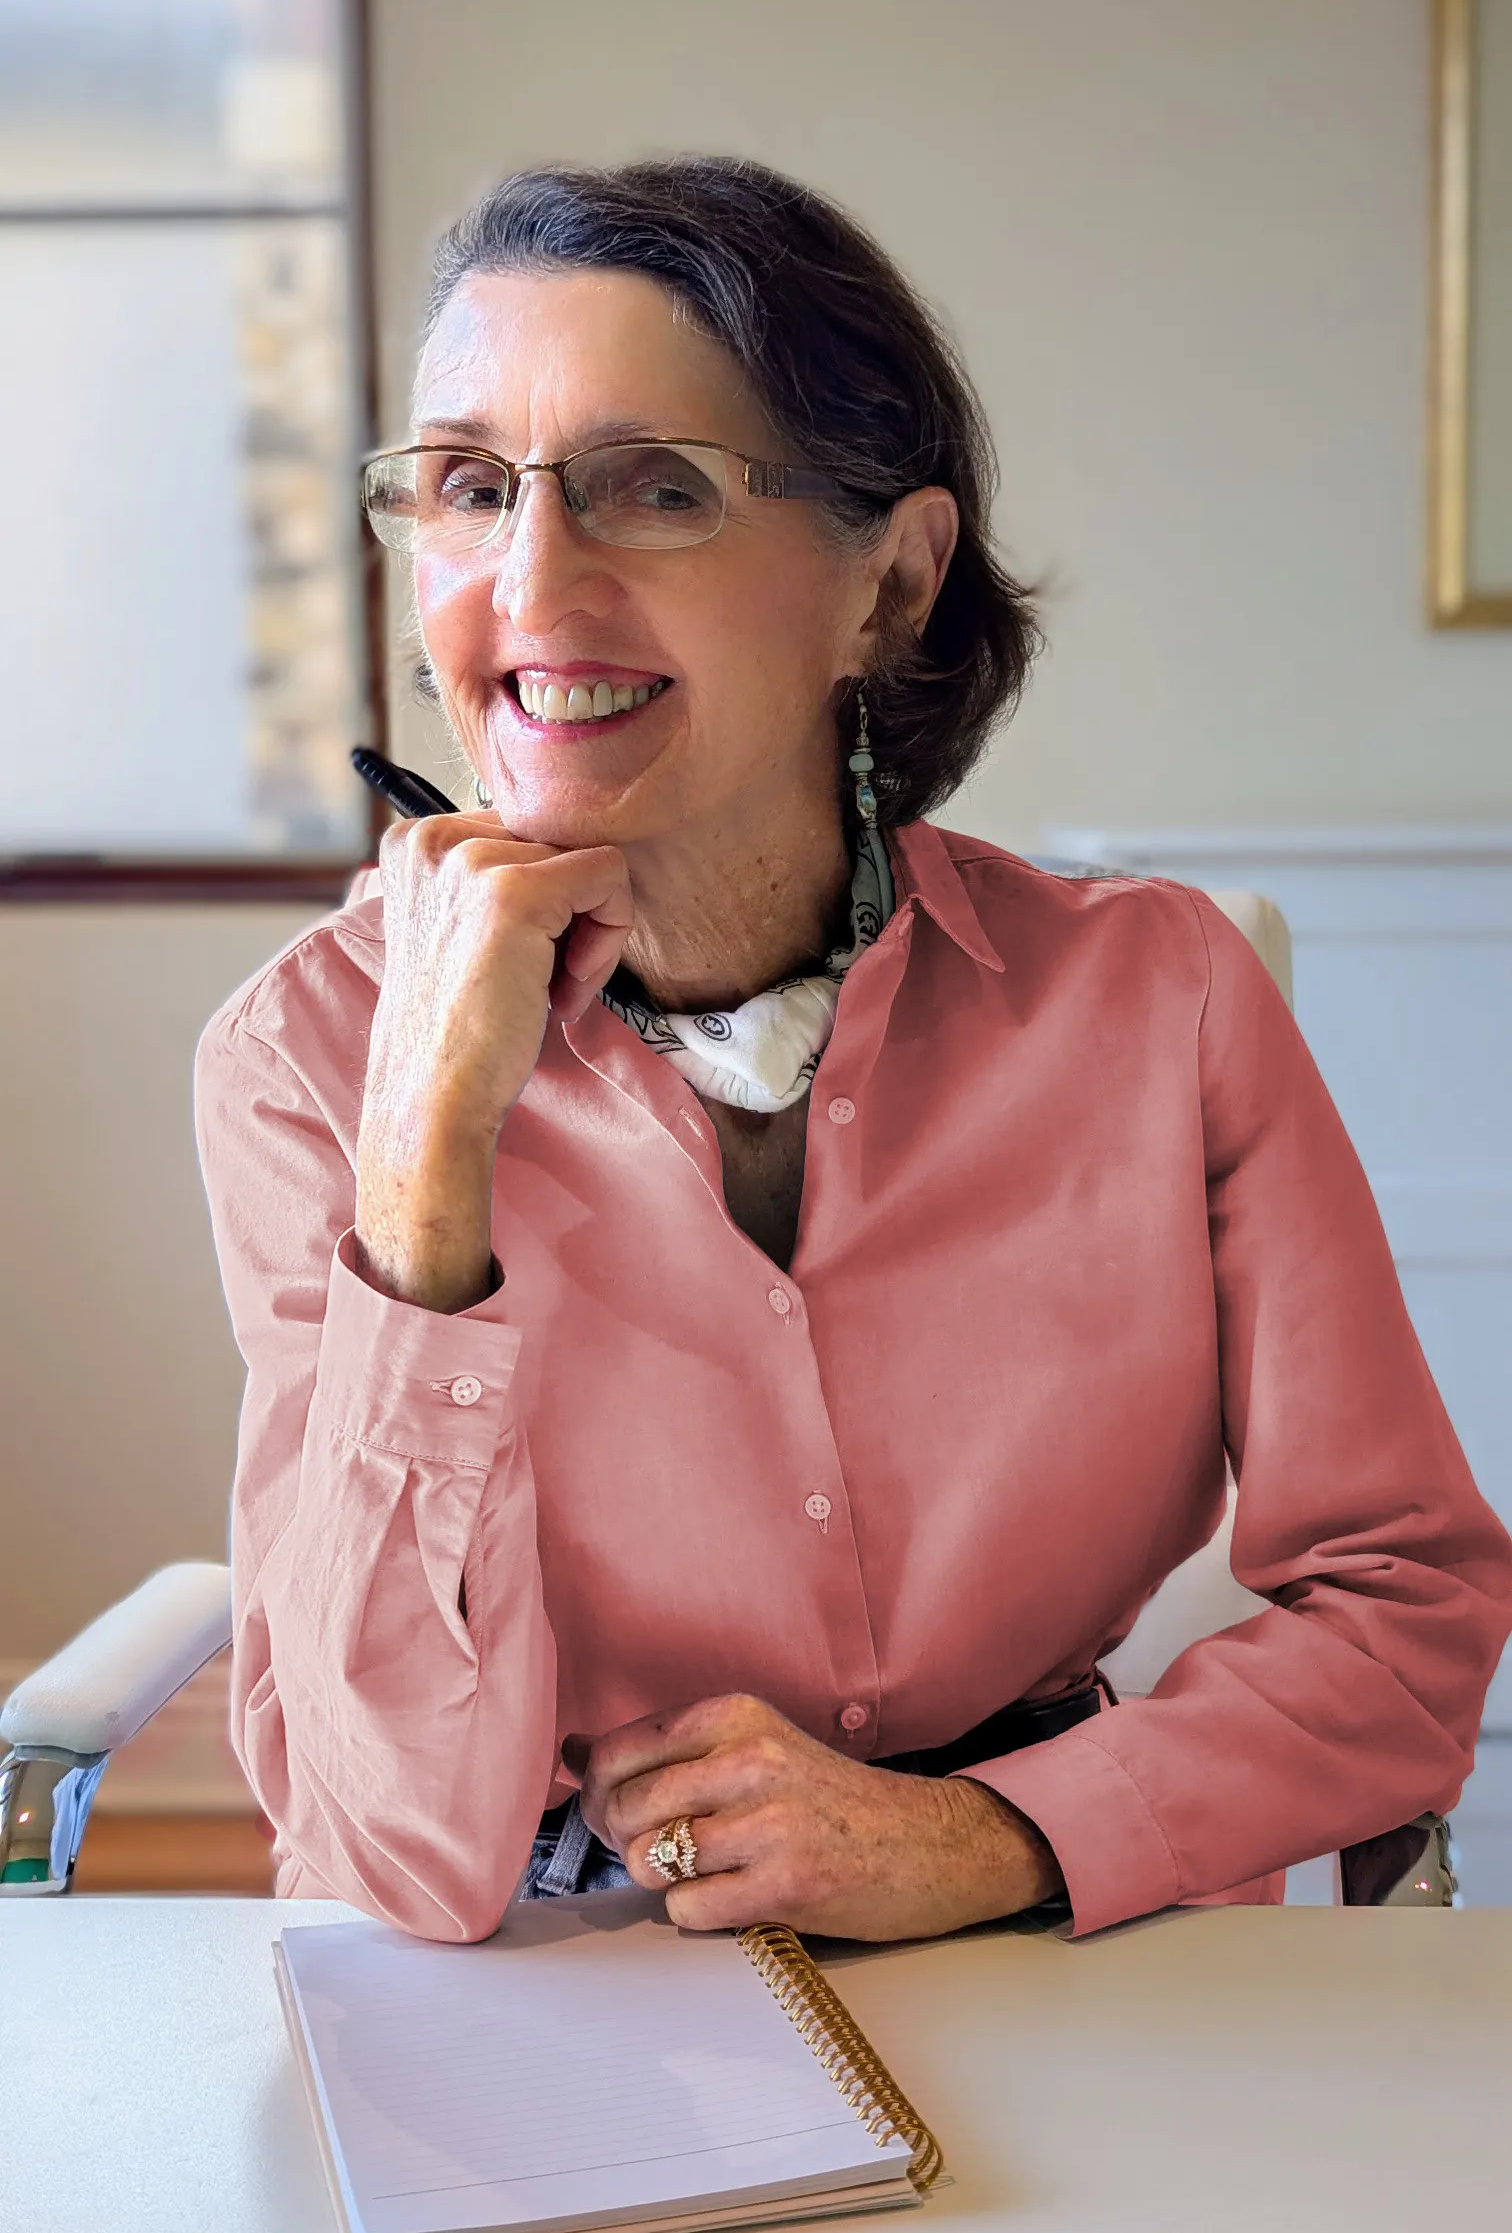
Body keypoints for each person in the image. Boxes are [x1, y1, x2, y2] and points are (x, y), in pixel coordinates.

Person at [195, 157, 1512, 1945]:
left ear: (889, 585)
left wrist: (979, 1838)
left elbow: (1408, 1607)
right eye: (467, 487)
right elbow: (399, 1850)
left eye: (656, 489)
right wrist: (425, 1158)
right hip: (558, 1975)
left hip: (1057, 1914)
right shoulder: (301, 1061)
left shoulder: (1164, 999)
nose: (531, 578)